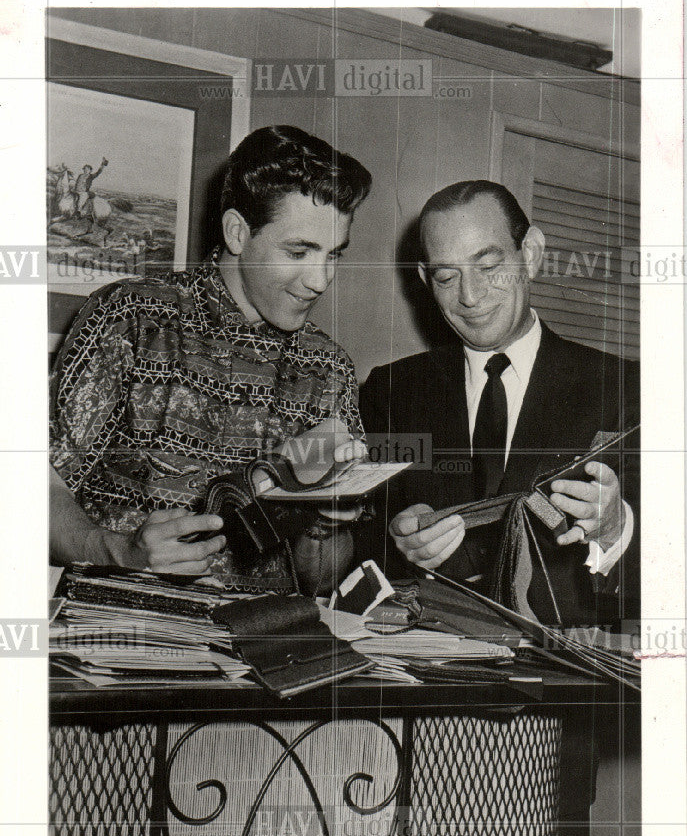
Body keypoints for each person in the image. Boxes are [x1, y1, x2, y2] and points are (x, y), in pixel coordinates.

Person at [50, 126, 372, 594]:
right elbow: (36, 487)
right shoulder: (131, 318)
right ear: (238, 232)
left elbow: (320, 579)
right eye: (299, 251)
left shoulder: (330, 371)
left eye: (334, 255)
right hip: (119, 629)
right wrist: (120, 551)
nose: (320, 281)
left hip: (261, 641)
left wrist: (328, 522)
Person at [358, 180, 639, 626]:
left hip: (568, 678)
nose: (469, 297)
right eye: (446, 277)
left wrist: (615, 529)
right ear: (424, 278)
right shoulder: (391, 392)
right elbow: (361, 551)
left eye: (488, 266)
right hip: (429, 676)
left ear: (530, 253)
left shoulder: (627, 390)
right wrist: (398, 541)